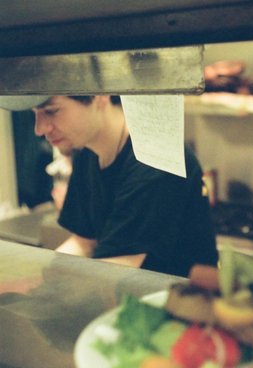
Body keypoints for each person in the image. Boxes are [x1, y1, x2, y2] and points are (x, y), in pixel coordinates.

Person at [0, 95, 219, 277]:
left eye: (51, 111)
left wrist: (41, 288)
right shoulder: (89, 152)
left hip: (181, 313)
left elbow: (118, 266)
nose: (39, 129)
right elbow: (84, 243)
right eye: (35, 114)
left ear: (99, 96)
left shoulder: (153, 160)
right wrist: (33, 278)